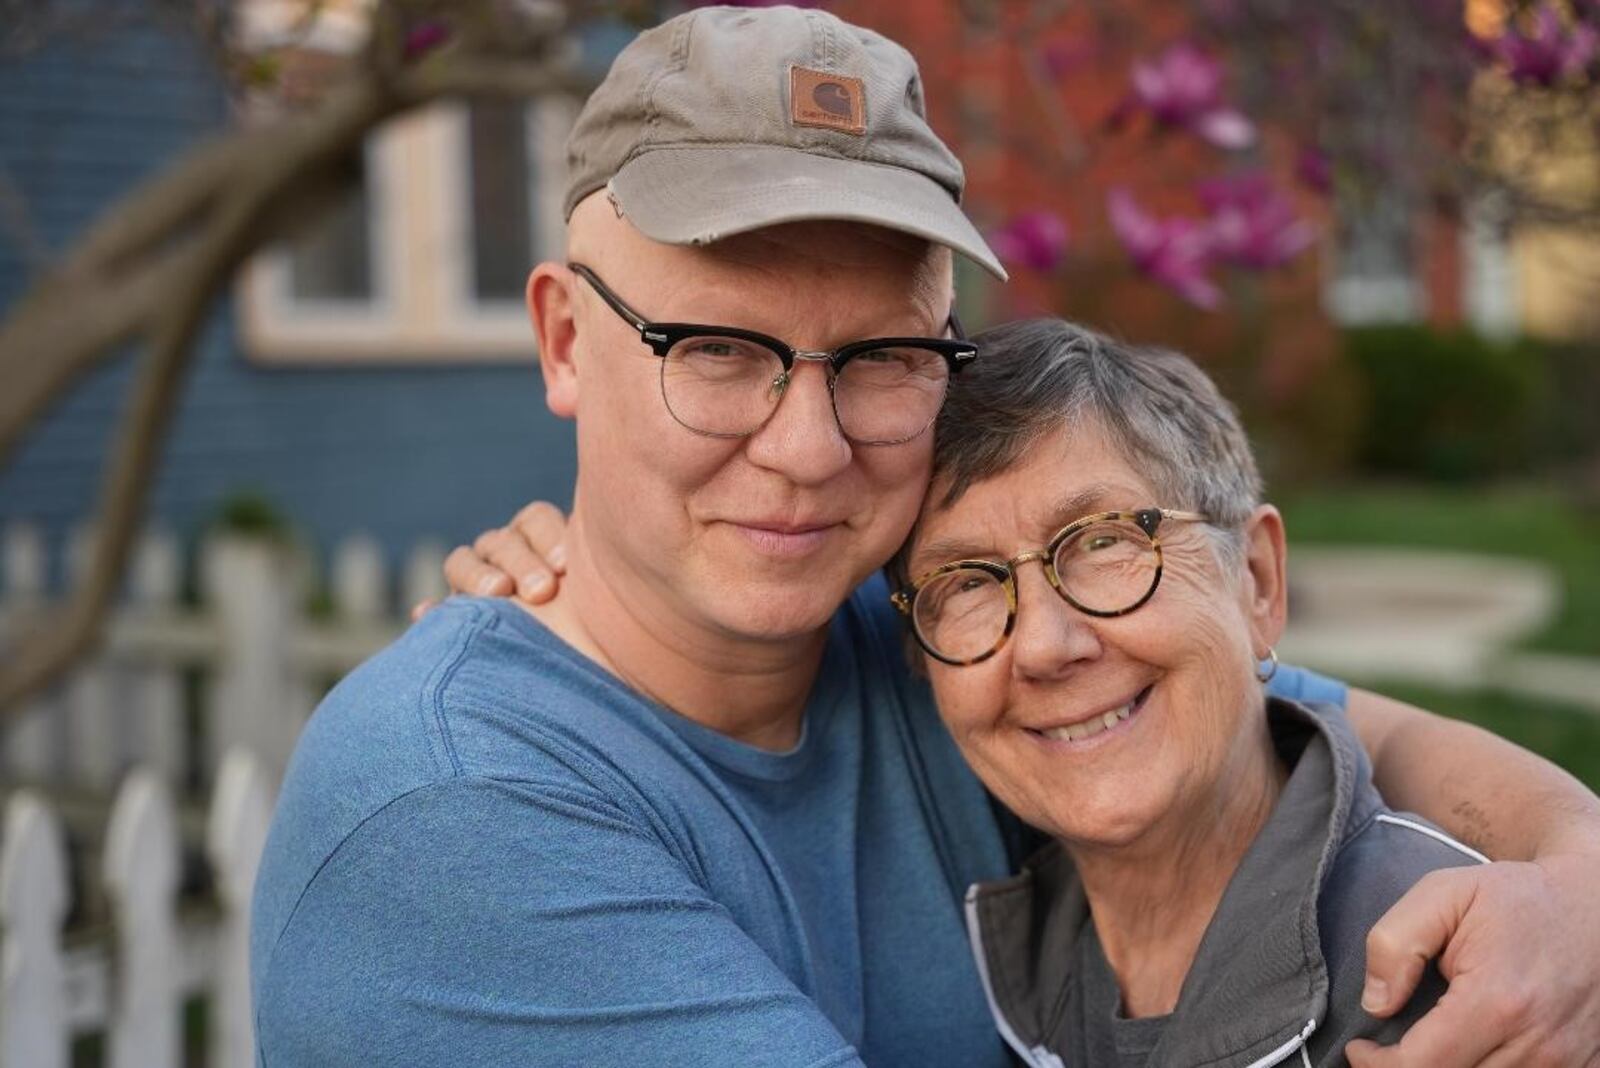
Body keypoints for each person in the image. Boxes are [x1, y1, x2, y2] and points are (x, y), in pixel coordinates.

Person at [252, 7, 1600, 1067]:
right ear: (562, 337)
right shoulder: (452, 812)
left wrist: (1578, 872)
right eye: (716, 350)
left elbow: (1317, 723)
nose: (807, 446)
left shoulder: (937, 652)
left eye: (885, 355)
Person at [890, 317, 1483, 1067]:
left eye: (1104, 540)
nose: (1043, 646)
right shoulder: (1013, 972)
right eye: (966, 582)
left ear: (1258, 581)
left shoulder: (1458, 993)